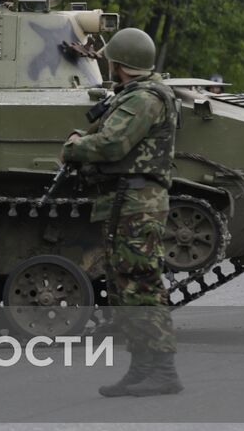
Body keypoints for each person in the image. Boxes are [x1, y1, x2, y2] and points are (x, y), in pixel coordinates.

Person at [62, 27, 182, 397]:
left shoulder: (144, 99)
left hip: (137, 204)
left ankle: (162, 370)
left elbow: (113, 145)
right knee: (125, 286)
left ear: (121, 64)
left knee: (141, 283)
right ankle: (143, 367)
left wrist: (76, 148)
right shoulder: (137, 94)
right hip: (125, 202)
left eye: (112, 61)